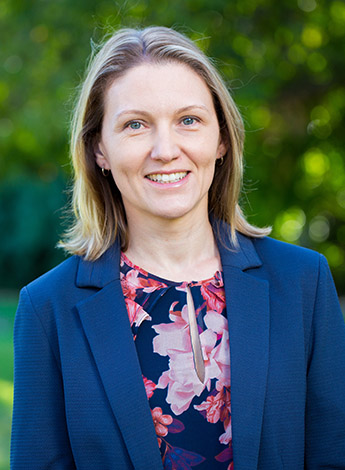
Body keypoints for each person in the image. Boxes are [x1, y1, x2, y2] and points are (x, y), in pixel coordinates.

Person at [11, 26, 345, 470]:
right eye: (135, 125)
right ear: (99, 150)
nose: (166, 150)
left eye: (189, 120)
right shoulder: (47, 307)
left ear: (222, 139)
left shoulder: (304, 282)